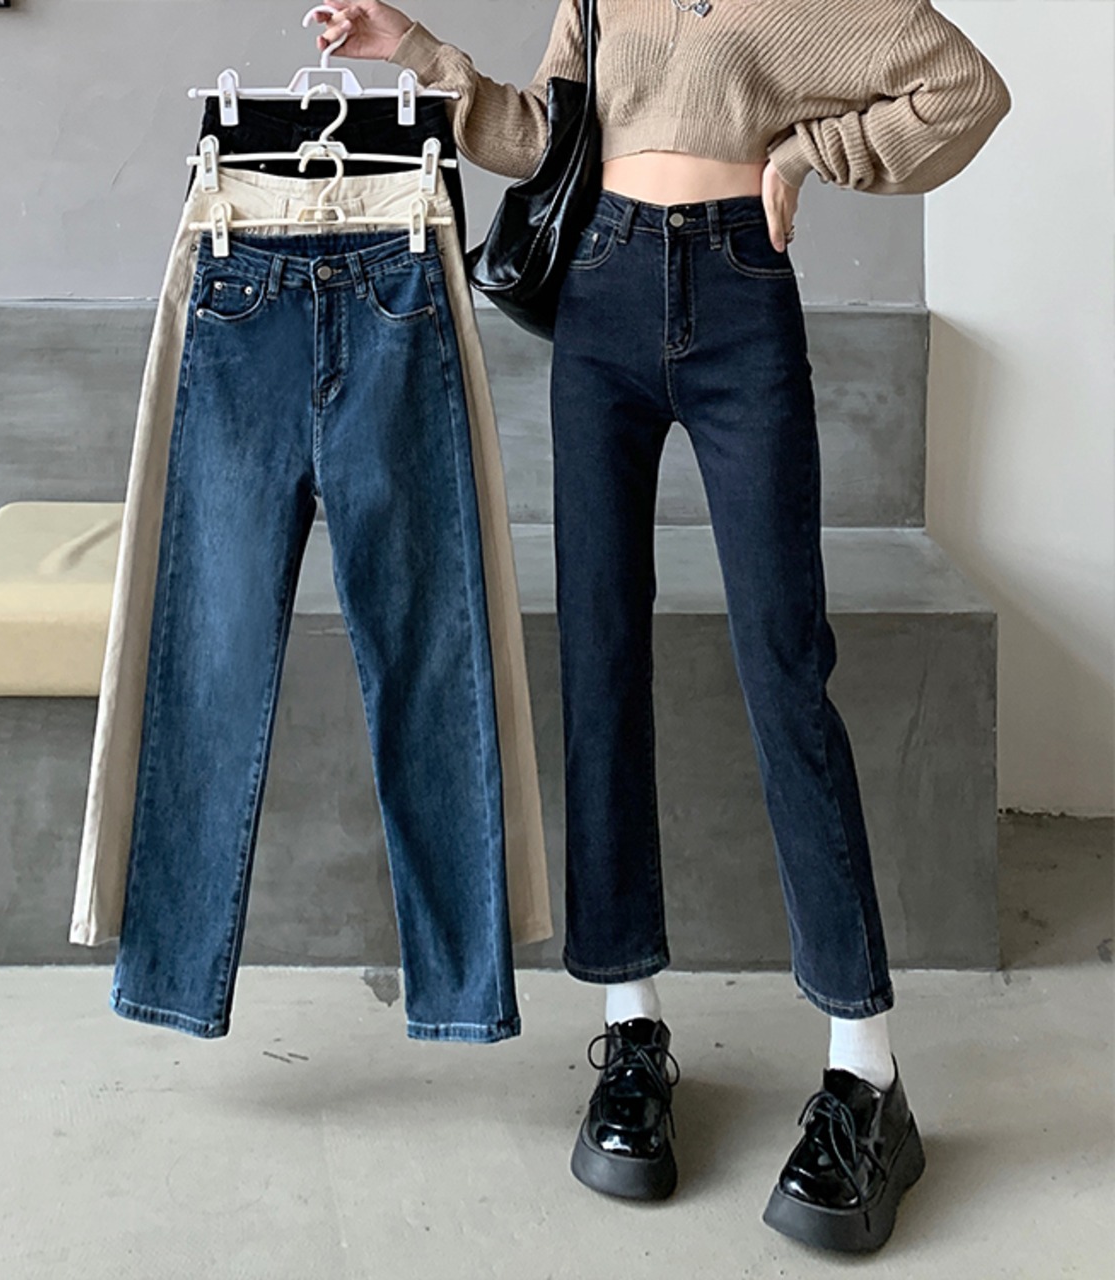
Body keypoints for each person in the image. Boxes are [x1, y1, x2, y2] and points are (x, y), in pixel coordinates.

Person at [314, 0, 1010, 1253]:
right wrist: (414, 51)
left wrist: (805, 154)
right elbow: (543, 136)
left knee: (785, 669)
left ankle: (865, 1070)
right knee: (600, 663)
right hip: (600, 301)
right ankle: (628, 1028)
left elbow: (964, 90)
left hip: (740, 297)